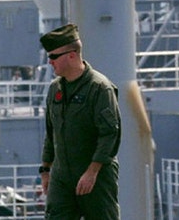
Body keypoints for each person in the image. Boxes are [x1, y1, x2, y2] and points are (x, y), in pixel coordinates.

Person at [39, 23, 121, 219]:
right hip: (62, 176)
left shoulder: (99, 88)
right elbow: (51, 133)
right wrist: (45, 169)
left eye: (53, 56)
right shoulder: (55, 89)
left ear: (72, 55)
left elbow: (110, 134)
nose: (50, 62)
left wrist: (92, 172)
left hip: (95, 176)